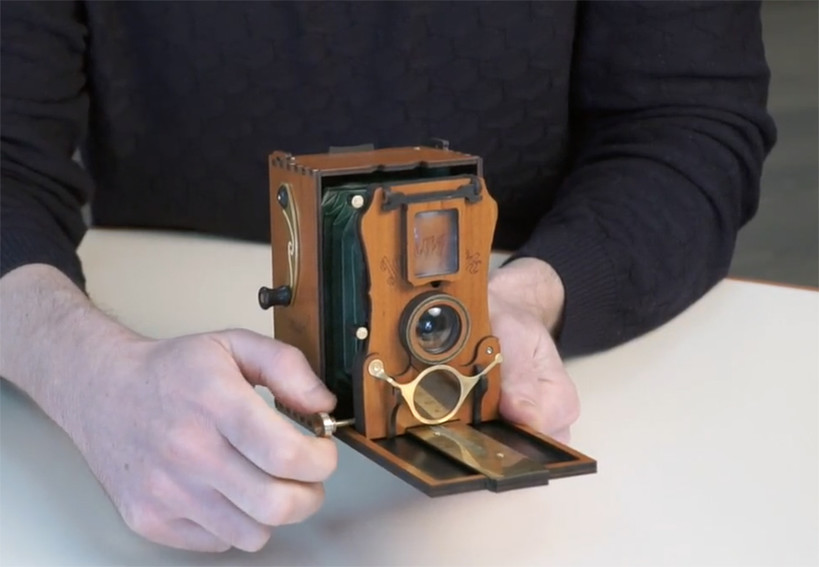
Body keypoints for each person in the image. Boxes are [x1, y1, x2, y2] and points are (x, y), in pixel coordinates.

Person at [0, 0, 775, 554]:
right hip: (161, 373)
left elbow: (685, 122)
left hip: (537, 363)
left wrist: (523, 298)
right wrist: (88, 373)